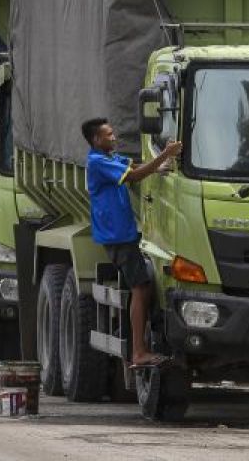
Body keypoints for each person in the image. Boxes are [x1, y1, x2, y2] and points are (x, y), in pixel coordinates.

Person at [82, 117, 182, 368]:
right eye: (109, 134)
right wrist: (166, 154)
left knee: (142, 287)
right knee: (140, 287)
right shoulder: (97, 162)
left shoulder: (108, 158)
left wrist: (161, 164)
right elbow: (135, 175)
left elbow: (133, 165)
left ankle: (139, 347)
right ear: (96, 139)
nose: (114, 137)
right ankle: (138, 352)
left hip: (123, 234)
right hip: (117, 237)